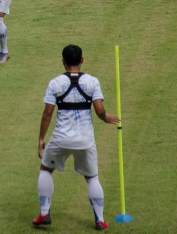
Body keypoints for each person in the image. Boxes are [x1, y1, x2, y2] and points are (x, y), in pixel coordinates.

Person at [33, 45, 120, 230]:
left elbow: (47, 113)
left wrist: (41, 138)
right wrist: (106, 118)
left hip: (61, 139)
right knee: (92, 178)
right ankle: (100, 220)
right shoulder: (92, 82)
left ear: (63, 61)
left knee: (46, 169)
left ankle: (44, 213)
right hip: (85, 140)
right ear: (82, 60)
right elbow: (99, 110)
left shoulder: (55, 83)